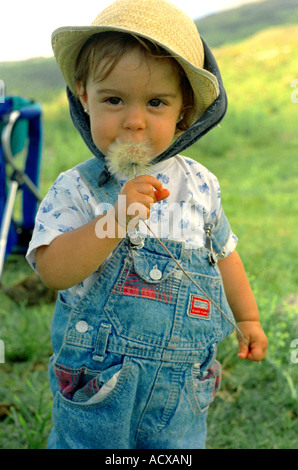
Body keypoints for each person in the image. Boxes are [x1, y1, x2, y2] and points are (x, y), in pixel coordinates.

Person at [26, 0, 268, 449]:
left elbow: (223, 254)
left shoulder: (199, 185)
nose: (134, 121)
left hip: (182, 392)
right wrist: (112, 222)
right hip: (96, 387)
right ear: (85, 96)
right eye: (113, 99)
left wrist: (247, 317)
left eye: (155, 102)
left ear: (184, 111)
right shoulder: (76, 188)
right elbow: (52, 270)